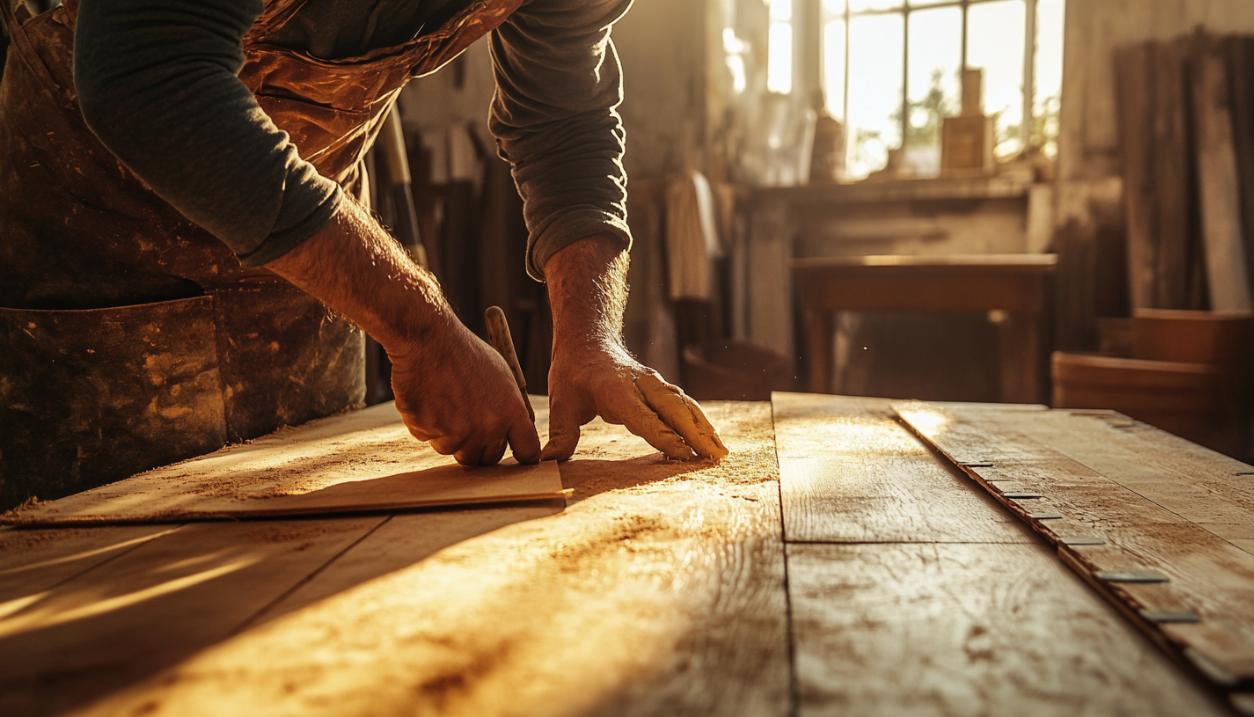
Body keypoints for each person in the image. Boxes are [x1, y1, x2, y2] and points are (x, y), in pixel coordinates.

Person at [0, 0, 725, 506]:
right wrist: (423, 326)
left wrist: (593, 337)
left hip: (310, 269)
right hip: (97, 246)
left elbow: (568, 122)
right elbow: (146, 73)